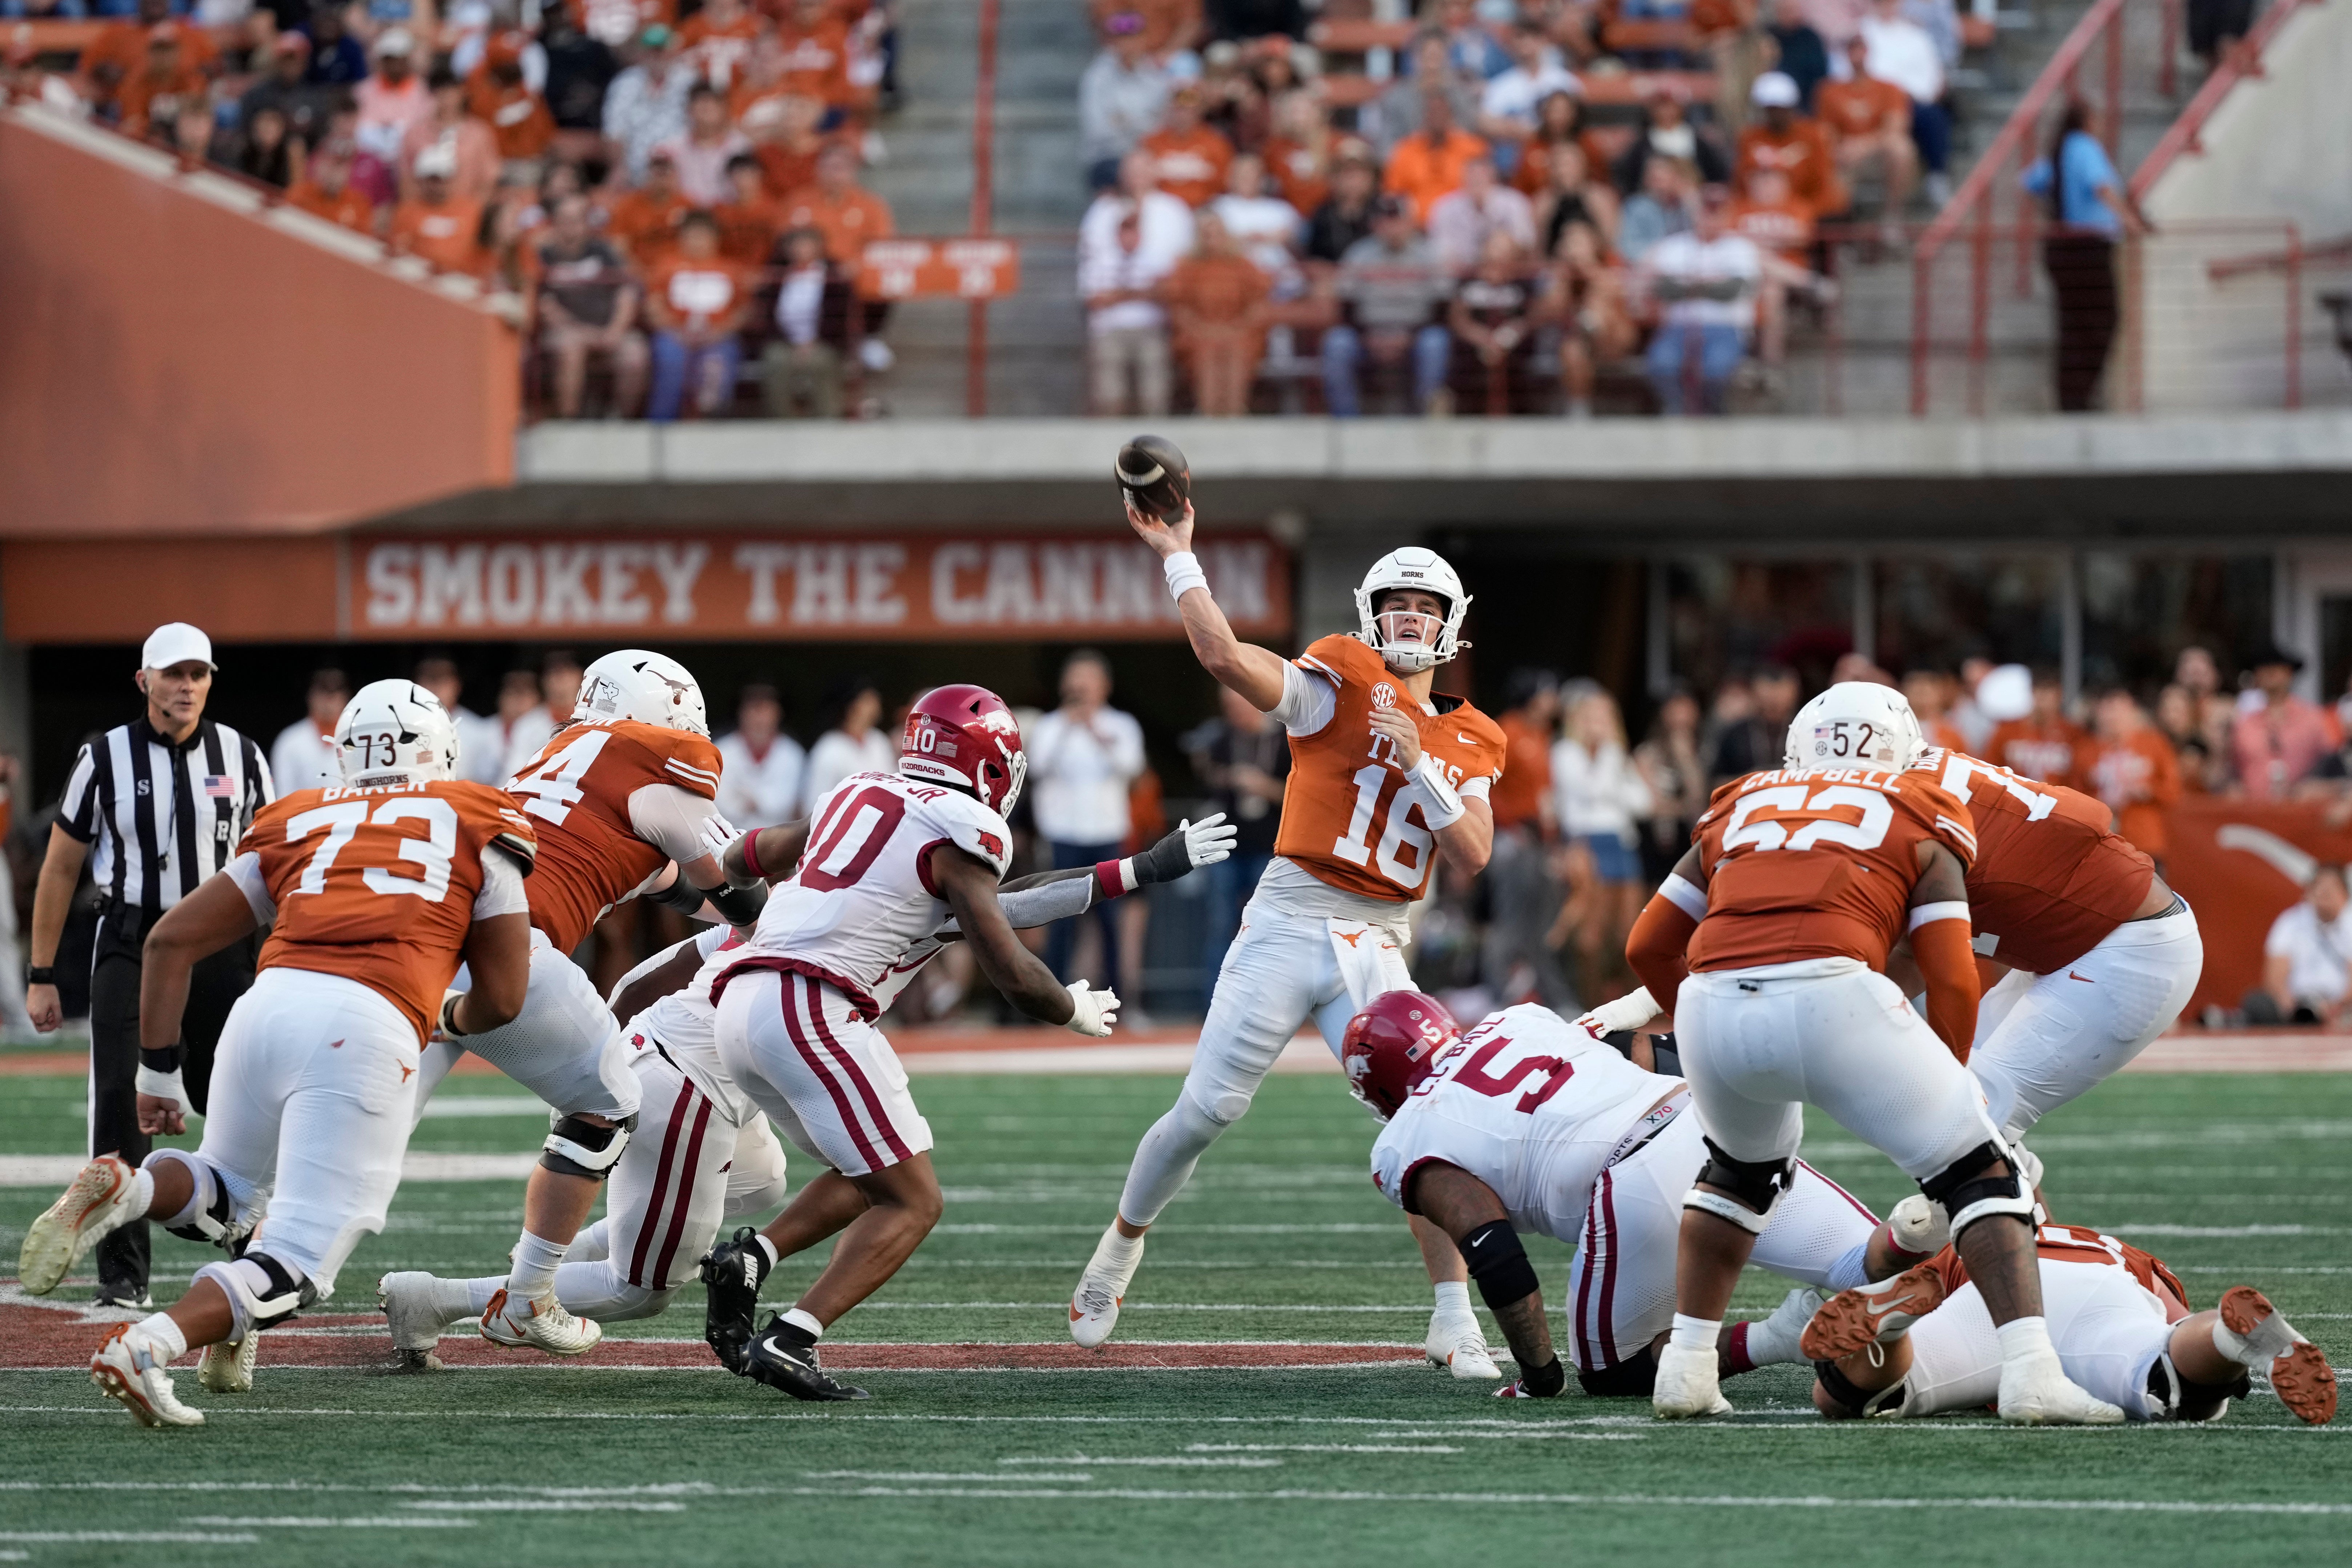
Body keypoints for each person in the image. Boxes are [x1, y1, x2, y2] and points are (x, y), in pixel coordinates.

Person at [383, 806, 1233, 1371]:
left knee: (761, 1183)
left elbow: (999, 902)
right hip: (690, 1065)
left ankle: (644, 1247)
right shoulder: (891, 884)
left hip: (716, 1048)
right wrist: (614, 1061)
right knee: (647, 1285)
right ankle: (447, 1299)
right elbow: (1006, 915)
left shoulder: (829, 872)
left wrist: (1137, 871)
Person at [1073, 502, 1510, 1387]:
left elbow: (1471, 854)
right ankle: (1121, 1245)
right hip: (1289, 914)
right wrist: (1180, 558)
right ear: (1370, 615)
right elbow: (1226, 659)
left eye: (1425, 607)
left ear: (1452, 624)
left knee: (1422, 1121)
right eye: (1396, 605)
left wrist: (1418, 763)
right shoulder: (1341, 677)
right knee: (1207, 1111)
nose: (1409, 619)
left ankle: (1453, 1317)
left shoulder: (1474, 735)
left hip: (1378, 936)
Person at [19, 683, 533, 1425]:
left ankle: (127, 1188)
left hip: (264, 1007)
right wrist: (449, 1015)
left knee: (226, 1188)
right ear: (441, 749)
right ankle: (149, 1344)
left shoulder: (301, 814)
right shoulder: (481, 818)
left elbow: (170, 940)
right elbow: (506, 998)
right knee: (298, 1262)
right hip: (368, 1018)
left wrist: (159, 1071)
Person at [1626, 681, 2122, 1424]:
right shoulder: (1922, 804)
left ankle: (1687, 1367)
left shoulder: (1740, 798)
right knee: (1981, 1167)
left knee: (1735, 1171)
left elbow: (1646, 945)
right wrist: (1954, 1083)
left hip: (1711, 998)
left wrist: (1711, 1020)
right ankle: (2030, 1372)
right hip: (1834, 989)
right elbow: (1953, 974)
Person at [699, 687, 1129, 1399]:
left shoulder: (857, 788)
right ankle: (791, 1335)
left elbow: (745, 854)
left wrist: (760, 913)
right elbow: (1008, 964)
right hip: (813, 1004)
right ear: (991, 764)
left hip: (741, 1000)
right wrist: (1072, 1009)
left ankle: (753, 1255)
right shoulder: (963, 825)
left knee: (875, 1171)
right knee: (914, 1200)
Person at [413, 650, 758, 1356]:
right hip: (510, 949)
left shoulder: (561, 757)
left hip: (428, 935)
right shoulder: (659, 763)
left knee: (360, 1140)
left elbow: (663, 878)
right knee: (605, 1098)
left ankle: (252, 1265)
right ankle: (528, 1290)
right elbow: (736, 889)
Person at [1349, 992, 1920, 1398]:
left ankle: (1779, 1336)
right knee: (1860, 1263)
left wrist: (1539, 1376)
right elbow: (1647, 1053)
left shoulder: (1406, 1136)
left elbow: (1492, 1248)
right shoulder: (1518, 1019)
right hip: (1708, 1115)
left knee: (1612, 1372)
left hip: (1635, 1170)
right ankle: (1914, 1234)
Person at [23, 624, 273, 1311]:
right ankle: (123, 1275)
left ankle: (249, 1250)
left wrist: (281, 952)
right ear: (144, 681)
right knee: (120, 1104)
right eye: (172, 674)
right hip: (131, 939)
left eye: (197, 673)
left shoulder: (243, 755)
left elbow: (275, 862)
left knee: (232, 1094)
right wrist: (42, 971)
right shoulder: (102, 756)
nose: (185, 685)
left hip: (222, 946)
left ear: (211, 681)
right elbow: (61, 865)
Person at [1803, 1226, 2337, 1427]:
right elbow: (2172, 1318)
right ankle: (2229, 1339)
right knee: (2168, 1380)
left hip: (1990, 1297)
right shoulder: (2115, 1249)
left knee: (1846, 1398)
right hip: (2093, 1289)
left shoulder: (1972, 1239)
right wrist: (2217, 1368)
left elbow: (1939, 1286)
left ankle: (1893, 1334)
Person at [1029, 651, 1148, 998]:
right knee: (1061, 920)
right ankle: (1052, 1001)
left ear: (1104, 686)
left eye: (1088, 681)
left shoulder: (1121, 725)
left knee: (1111, 921)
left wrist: (1095, 730)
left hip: (1107, 836)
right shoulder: (1051, 725)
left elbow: (1133, 767)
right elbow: (1037, 767)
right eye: (1075, 681)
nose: (1081, 688)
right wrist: (1070, 725)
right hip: (1062, 835)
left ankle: (1117, 1002)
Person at [2022, 99, 2147, 412]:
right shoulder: (2085, 147)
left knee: (2073, 326)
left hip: (2063, 246)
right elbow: (2101, 187)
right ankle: (2082, 392)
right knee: (2103, 320)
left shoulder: (2061, 150)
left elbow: (2031, 182)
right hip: (2088, 247)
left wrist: (2055, 213)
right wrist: (2130, 220)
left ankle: (2072, 398)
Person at [1183, 684, 1288, 1007]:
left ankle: (1270, 1003)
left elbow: (1299, 796)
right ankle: (1214, 1004)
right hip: (1226, 848)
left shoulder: (1285, 740)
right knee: (1220, 927)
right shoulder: (1222, 738)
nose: (1233, 713)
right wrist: (1223, 776)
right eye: (1227, 707)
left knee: (1268, 927)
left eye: (1237, 706)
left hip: (1269, 848)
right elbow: (1206, 779)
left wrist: (1262, 786)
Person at [1550, 689, 1652, 1005]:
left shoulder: (1614, 754)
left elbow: (1644, 803)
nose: (1599, 724)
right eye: (1592, 716)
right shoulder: (1566, 752)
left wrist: (1611, 770)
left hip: (1621, 842)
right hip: (1587, 844)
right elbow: (1589, 790)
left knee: (1629, 933)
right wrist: (1611, 766)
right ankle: (1591, 1007)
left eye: (1605, 717)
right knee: (1591, 935)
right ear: (1578, 719)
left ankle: (1631, 1005)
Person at [1081, 151, 1195, 417]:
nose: (1137, 177)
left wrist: (1148, 292)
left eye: (1144, 169)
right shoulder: (1102, 212)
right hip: (1108, 323)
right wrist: (1140, 292)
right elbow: (1092, 269)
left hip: (1158, 321)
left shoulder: (1174, 211)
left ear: (1156, 173)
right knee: (1109, 399)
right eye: (1131, 170)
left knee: (1155, 398)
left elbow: (1182, 268)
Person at [1481, 670, 1571, 1011]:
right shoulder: (1507, 729)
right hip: (1513, 837)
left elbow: (1546, 796)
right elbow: (1486, 784)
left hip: (1539, 840)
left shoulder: (1543, 734)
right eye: (1548, 693)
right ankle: (1498, 991)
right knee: (1510, 917)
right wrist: (1508, 826)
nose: (1554, 699)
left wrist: (1552, 840)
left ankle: (1543, 995)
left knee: (1540, 922)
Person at [1325, 194, 1456, 417]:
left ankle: (1425, 418)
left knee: (1435, 342)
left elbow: (1442, 306)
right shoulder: (1360, 254)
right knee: (1337, 343)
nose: (1393, 228)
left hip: (1415, 336)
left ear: (1410, 223)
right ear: (1376, 225)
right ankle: (1347, 423)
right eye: (1386, 221)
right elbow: (1345, 305)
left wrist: (1409, 337)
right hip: (1368, 336)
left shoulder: (1429, 254)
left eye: (1398, 221)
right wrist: (1369, 337)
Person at [1637, 185, 1763, 416]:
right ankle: (1681, 411)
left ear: (1727, 214)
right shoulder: (1674, 245)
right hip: (1678, 327)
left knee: (1714, 370)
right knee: (1661, 365)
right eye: (1706, 210)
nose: (1710, 216)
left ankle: (1710, 412)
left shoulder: (1741, 248)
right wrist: (1711, 284)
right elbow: (1665, 289)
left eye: (1717, 211)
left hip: (1726, 327)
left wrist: (1690, 284)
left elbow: (1733, 290)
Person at [531, 192, 649, 419]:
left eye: (576, 220)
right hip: (567, 332)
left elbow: (628, 293)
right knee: (570, 349)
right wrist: (579, 331)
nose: (570, 227)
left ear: (587, 223)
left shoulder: (605, 252)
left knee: (636, 355)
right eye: (564, 220)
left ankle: (620, 420)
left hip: (609, 329)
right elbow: (544, 305)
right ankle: (569, 422)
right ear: (553, 224)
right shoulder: (544, 256)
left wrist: (615, 331)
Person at [1160, 209, 1269, 416]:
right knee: (1207, 351)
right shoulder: (1187, 267)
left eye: (1217, 234)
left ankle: (1235, 414)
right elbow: (1179, 308)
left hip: (1239, 332)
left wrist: (1236, 328)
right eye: (1206, 234)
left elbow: (1258, 305)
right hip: (1200, 334)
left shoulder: (1243, 266)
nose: (1212, 240)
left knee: (1236, 349)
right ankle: (1209, 415)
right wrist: (1203, 330)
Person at [643, 211, 750, 422]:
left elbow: (744, 310)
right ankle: (661, 426)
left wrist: (719, 332)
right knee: (672, 363)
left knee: (716, 368)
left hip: (718, 338)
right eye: (692, 236)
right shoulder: (667, 266)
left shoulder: (731, 270)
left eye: (703, 236)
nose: (697, 242)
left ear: (715, 238)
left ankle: (709, 428)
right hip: (674, 336)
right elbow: (653, 306)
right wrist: (677, 331)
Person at [1816, 33, 1917, 217]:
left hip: (1877, 155)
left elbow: (1896, 128)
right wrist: (1839, 150)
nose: (1857, 54)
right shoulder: (1830, 91)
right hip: (1845, 156)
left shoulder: (1889, 88)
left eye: (1860, 48)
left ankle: (1892, 215)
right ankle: (1840, 225)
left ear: (1869, 52)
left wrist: (1862, 146)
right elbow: (1826, 131)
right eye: (1852, 49)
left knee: (1901, 149)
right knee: (1825, 164)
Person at [762, 225, 856, 419]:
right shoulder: (777, 274)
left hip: (822, 341)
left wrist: (813, 342)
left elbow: (840, 315)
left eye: (806, 244)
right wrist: (792, 343)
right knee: (775, 360)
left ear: (819, 247)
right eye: (796, 245)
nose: (801, 250)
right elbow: (769, 315)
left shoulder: (834, 276)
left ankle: (828, 419)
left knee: (821, 362)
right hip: (785, 342)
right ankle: (784, 420)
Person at [1858, 0, 1947, 202]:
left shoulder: (1916, 35)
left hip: (1910, 100)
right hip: (1872, 100)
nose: (1887, 6)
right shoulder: (1861, 32)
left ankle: (1937, 175)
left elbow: (1930, 77)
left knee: (1933, 116)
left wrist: (1904, 93)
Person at [1080, 9, 1176, 191]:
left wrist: (1125, 122)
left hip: (1152, 153)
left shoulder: (1156, 75)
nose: (1128, 44)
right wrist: (1143, 128)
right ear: (1112, 42)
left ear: (1144, 39)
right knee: (1124, 173)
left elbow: (1165, 122)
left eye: (1133, 37)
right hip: (1110, 156)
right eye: (1121, 38)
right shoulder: (1096, 77)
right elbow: (1099, 130)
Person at [2245, 865, 2352, 1027]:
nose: (2325, 894)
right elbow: (2275, 976)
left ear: (2345, 894)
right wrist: (2291, 1006)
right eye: (2320, 888)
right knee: (2258, 1003)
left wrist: (2336, 1008)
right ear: (2309, 892)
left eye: (2331, 889)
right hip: (2297, 1006)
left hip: (2343, 1008)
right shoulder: (2291, 922)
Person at [2231, 643, 2340, 801]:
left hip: (2301, 816)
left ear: (2290, 674)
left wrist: (2319, 787)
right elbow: (2233, 772)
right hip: (2253, 814)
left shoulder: (2315, 718)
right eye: (2264, 668)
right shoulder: (2244, 724)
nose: (2270, 673)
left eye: (2277, 668)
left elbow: (2337, 768)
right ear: (2256, 676)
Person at [2083, 688, 2181, 862]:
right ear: (2098, 714)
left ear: (2133, 712)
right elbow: (2074, 796)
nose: (2114, 717)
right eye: (2108, 710)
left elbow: (2174, 792)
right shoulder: (2085, 751)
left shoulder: (2154, 744)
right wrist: (2099, 803)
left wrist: (2148, 791)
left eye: (2120, 710)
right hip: (2100, 843)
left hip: (2145, 842)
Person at [1734, 71, 1844, 218]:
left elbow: (1822, 182)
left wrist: (1800, 212)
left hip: (1808, 211)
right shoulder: (1751, 138)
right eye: (1771, 109)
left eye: (1781, 109)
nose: (1776, 115)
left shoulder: (1812, 136)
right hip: (1759, 214)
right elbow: (1741, 182)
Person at [602, 25, 693, 186]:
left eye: (661, 50)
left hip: (680, 168)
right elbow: (614, 132)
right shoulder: (625, 83)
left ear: (672, 51)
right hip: (636, 170)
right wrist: (620, 167)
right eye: (651, 51)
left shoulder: (690, 81)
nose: (656, 56)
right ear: (641, 53)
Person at [1382, 91, 1490, 227]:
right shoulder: (1405, 151)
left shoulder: (1474, 149)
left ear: (1451, 114)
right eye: (1432, 111)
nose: (1437, 116)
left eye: (1441, 110)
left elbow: (1486, 190)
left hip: (1464, 228)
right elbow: (1392, 196)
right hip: (1416, 231)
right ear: (1423, 116)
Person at [1427, 152, 1537, 276]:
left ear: (1494, 179)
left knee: (1500, 243)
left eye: (1482, 177)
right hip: (1461, 274)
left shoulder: (1514, 202)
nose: (1476, 181)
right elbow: (1440, 248)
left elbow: (1526, 242)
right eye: (1471, 176)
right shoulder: (1445, 207)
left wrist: (1495, 248)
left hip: (1506, 271)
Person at [716, 683, 806, 829]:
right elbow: (722, 804)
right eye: (754, 709)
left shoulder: (792, 754)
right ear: (741, 713)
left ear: (778, 714)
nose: (760, 719)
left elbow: (786, 804)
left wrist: (752, 800)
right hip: (728, 840)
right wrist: (763, 801)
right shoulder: (722, 750)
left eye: (766, 710)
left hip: (778, 843)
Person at [802, 676, 895, 804]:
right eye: (868, 700)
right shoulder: (829, 748)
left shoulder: (879, 741)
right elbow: (814, 804)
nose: (876, 705)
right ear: (851, 706)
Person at [1984, 669, 2084, 784]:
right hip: (2015, 798)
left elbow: (2081, 778)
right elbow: (1990, 771)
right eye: (2038, 691)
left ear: (2059, 696)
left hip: (2058, 799)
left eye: (2048, 693)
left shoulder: (2074, 733)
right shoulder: (2007, 731)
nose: (2042, 699)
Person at [501, 650, 583, 778]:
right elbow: (514, 774)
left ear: (581, 676)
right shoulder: (527, 725)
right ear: (544, 681)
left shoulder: (596, 719)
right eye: (554, 673)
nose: (561, 679)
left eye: (568, 671)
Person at [268, 669, 349, 793]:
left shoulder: (358, 738)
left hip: (350, 811)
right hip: (305, 812)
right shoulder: (290, 740)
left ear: (346, 697)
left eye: (336, 692)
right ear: (311, 696)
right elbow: (282, 795)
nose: (330, 700)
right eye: (324, 692)